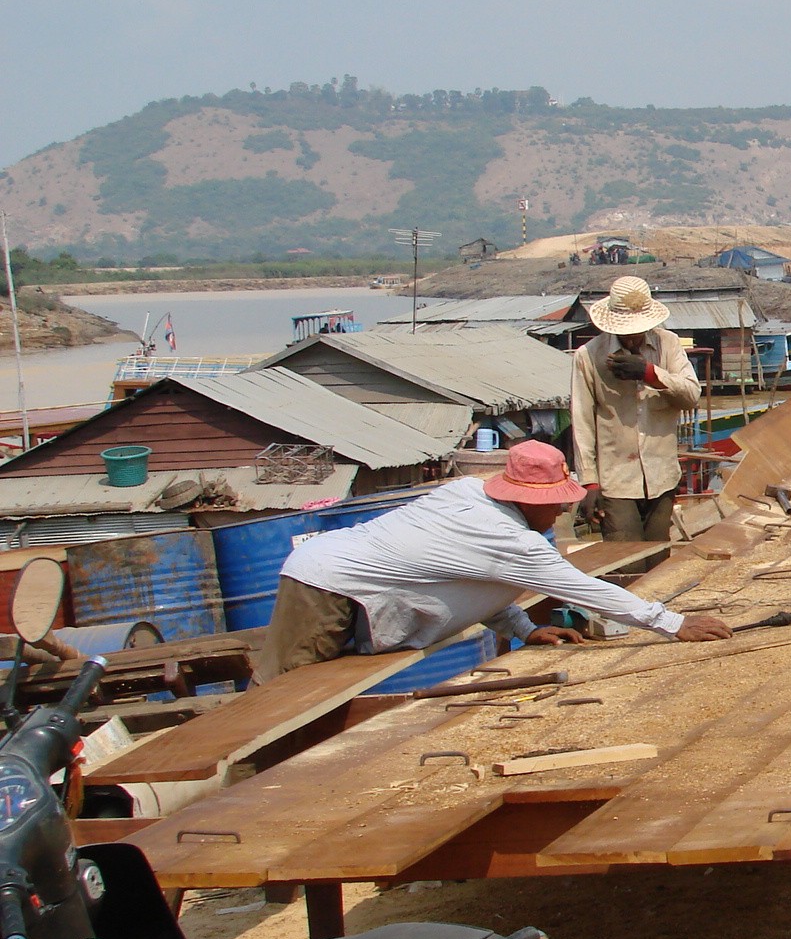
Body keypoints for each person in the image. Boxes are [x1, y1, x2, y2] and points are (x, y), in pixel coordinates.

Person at [252, 441, 733, 682]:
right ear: (527, 497)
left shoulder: (472, 496)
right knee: (280, 702)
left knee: (311, 699)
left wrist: (523, 630)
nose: (566, 508)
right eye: (557, 500)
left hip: (352, 589)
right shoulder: (505, 537)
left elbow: (472, 580)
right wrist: (671, 622)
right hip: (327, 589)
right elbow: (579, 588)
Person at [573, 276, 701, 545]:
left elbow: (691, 395)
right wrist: (589, 482)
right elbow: (582, 422)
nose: (632, 337)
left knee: (657, 559)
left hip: (661, 475)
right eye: (626, 331)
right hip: (616, 478)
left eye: (638, 330)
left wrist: (649, 373)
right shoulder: (589, 356)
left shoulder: (668, 344)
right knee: (626, 560)